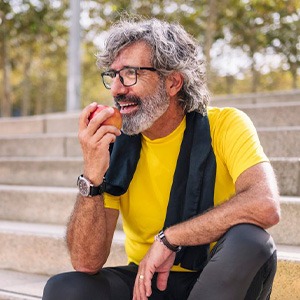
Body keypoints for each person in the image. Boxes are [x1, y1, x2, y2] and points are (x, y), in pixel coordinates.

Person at [43, 17, 280, 300]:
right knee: (66, 289)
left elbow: (264, 204)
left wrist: (170, 238)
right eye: (113, 75)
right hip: (147, 283)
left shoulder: (226, 125)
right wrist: (92, 176)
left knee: (251, 242)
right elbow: (86, 262)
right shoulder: (114, 145)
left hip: (217, 279)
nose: (117, 89)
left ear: (173, 82)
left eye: (130, 73)